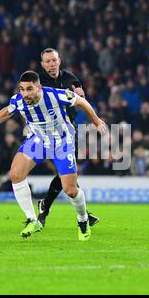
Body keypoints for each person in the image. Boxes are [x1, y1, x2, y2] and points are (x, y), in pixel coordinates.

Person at [0, 71, 106, 241]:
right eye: (22, 89)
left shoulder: (55, 95)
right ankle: (32, 219)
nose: (25, 94)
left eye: (29, 89)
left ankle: (82, 220)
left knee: (70, 191)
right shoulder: (19, 100)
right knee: (15, 174)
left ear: (39, 87)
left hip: (62, 143)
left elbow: (81, 102)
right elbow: (7, 111)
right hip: (38, 141)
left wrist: (96, 121)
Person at [37, 47, 99, 227]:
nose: (51, 64)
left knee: (66, 173)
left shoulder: (70, 78)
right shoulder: (39, 82)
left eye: (54, 60)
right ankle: (82, 214)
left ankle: (45, 205)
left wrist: (81, 94)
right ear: (42, 64)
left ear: (59, 61)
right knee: (66, 173)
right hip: (47, 133)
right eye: (47, 61)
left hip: (67, 132)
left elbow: (80, 95)